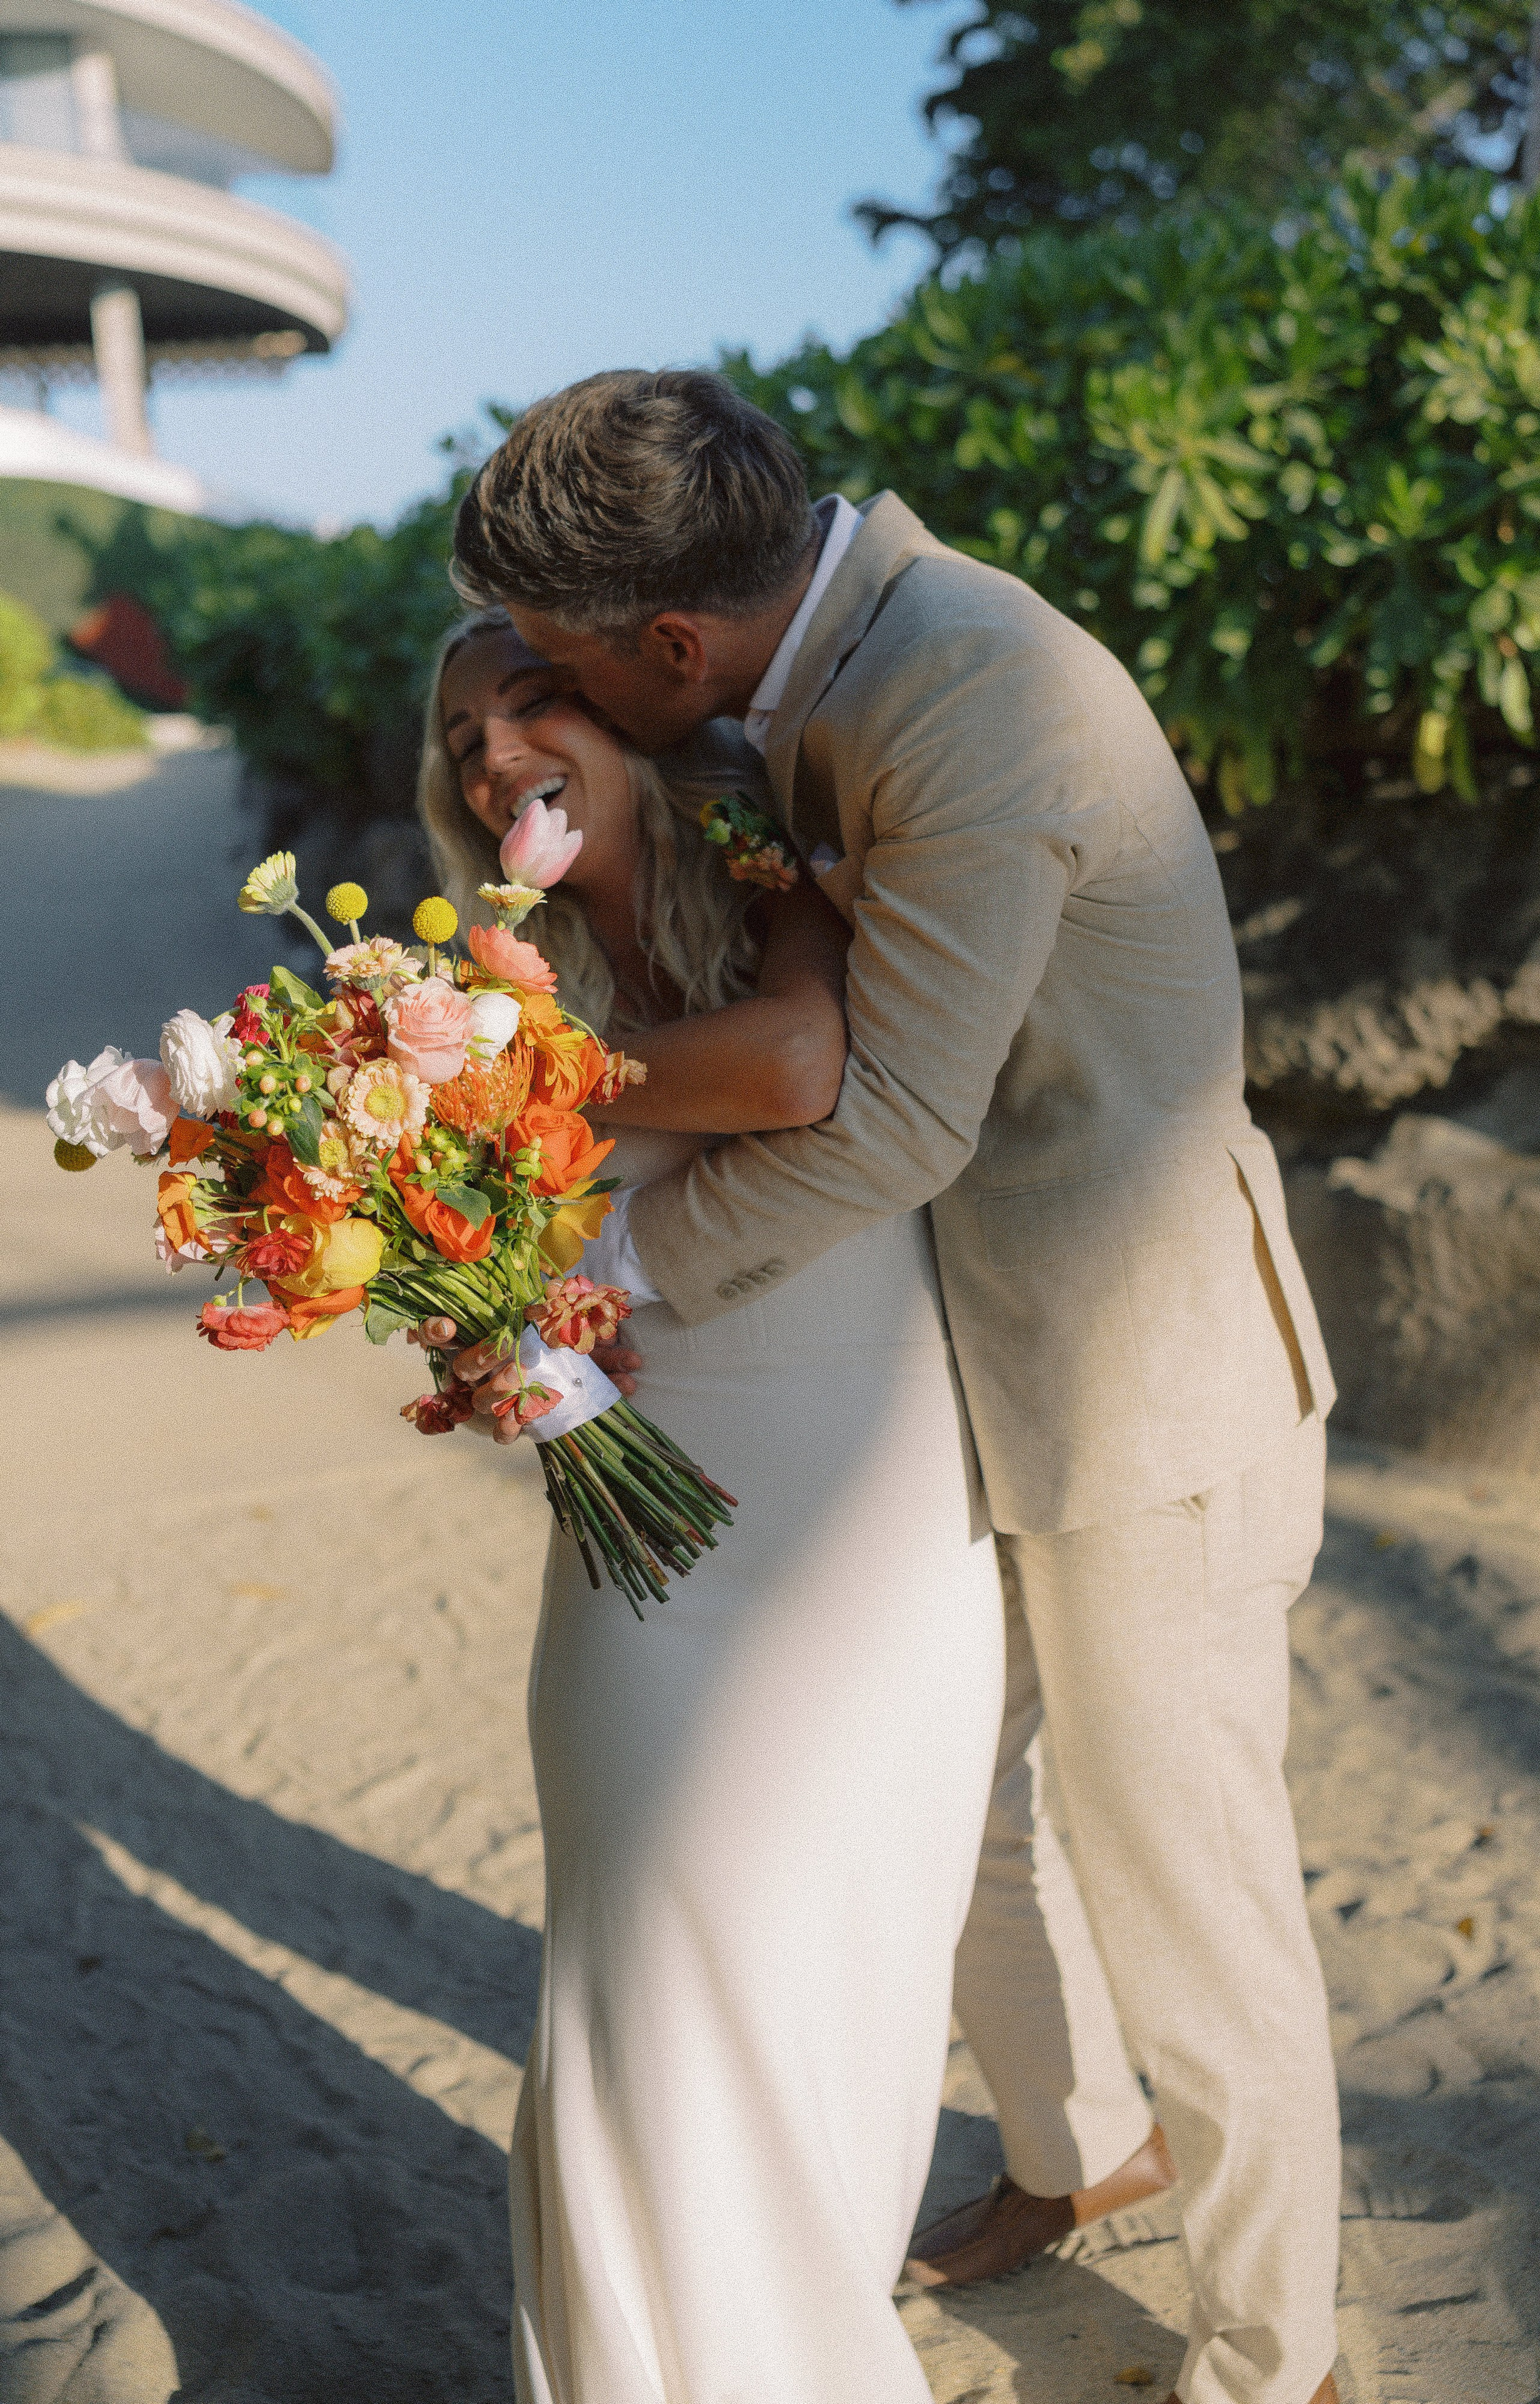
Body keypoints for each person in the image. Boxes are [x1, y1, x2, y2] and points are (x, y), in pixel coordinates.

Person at [450, 370, 1344, 2404]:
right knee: (973, 1822)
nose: (541, 698)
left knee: (1190, 1898)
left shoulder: (968, 695)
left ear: (675, 645)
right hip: (960, 1375)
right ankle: (1076, 2151)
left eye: (566, 663)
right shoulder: (830, 678)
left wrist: (607, 1271)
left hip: (1144, 1388)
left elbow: (894, 1120)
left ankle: (1276, 2357)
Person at [418, 610, 1010, 2404]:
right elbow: (479, 1254)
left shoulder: (761, 871)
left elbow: (797, 1066)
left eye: (534, 704)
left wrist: (544, 1075)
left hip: (864, 1493)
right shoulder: (460, 985)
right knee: (647, 1947)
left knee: (839, 1949)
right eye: (461, 737)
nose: (493, 755)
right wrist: (490, 1332)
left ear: (628, 720)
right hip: (641, 1533)